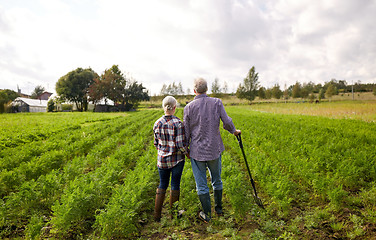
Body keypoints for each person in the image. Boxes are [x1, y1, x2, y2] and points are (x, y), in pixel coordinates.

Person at [184, 78, 241, 223]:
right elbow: (227, 121)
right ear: (207, 89)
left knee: (201, 184)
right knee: (217, 179)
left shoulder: (189, 107)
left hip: (197, 151)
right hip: (214, 149)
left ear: (194, 90)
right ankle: (219, 209)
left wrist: (186, 149)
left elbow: (186, 131)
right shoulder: (217, 103)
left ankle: (207, 214)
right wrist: (234, 131)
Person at [153, 96, 189, 222]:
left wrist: (163, 151)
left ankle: (157, 216)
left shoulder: (157, 123)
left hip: (162, 160)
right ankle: (174, 215)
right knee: (175, 185)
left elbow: (156, 143)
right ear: (175, 107)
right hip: (176, 160)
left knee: (162, 184)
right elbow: (180, 145)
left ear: (163, 107)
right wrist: (187, 153)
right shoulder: (178, 123)